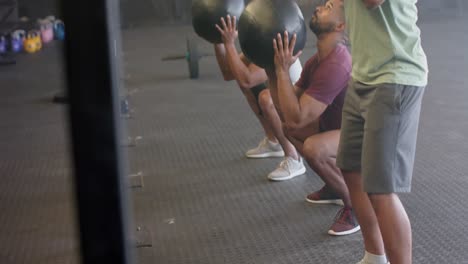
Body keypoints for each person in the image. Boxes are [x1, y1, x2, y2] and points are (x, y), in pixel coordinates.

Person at [337, 0, 428, 263]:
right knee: (352, 168)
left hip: (395, 75)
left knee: (380, 187)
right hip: (363, 74)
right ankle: (375, 256)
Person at [270, 0, 359, 236]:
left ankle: (356, 205)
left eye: (329, 7)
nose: (319, 7)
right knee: (289, 129)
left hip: (363, 138)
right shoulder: (315, 62)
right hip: (338, 131)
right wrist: (273, 68)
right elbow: (286, 113)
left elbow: (299, 116)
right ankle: (334, 187)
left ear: (340, 25)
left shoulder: (337, 64)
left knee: (313, 148)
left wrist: (281, 71)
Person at [214, 15, 306, 181]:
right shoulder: (260, 41)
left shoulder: (274, 42)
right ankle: (273, 142)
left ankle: (295, 158)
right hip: (283, 100)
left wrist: (229, 44)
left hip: (300, 106)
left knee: (265, 97)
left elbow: (247, 78)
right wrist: (218, 40)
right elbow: (229, 73)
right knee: (245, 80)